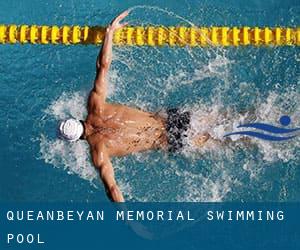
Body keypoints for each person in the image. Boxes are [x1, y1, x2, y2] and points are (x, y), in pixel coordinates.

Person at [58, 11, 210, 202]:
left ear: (76, 140)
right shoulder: (95, 105)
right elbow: (103, 66)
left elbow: (112, 189)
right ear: (76, 119)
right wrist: (109, 33)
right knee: (226, 118)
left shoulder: (99, 152)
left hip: (171, 140)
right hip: (172, 118)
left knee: (228, 141)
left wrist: (130, 221)